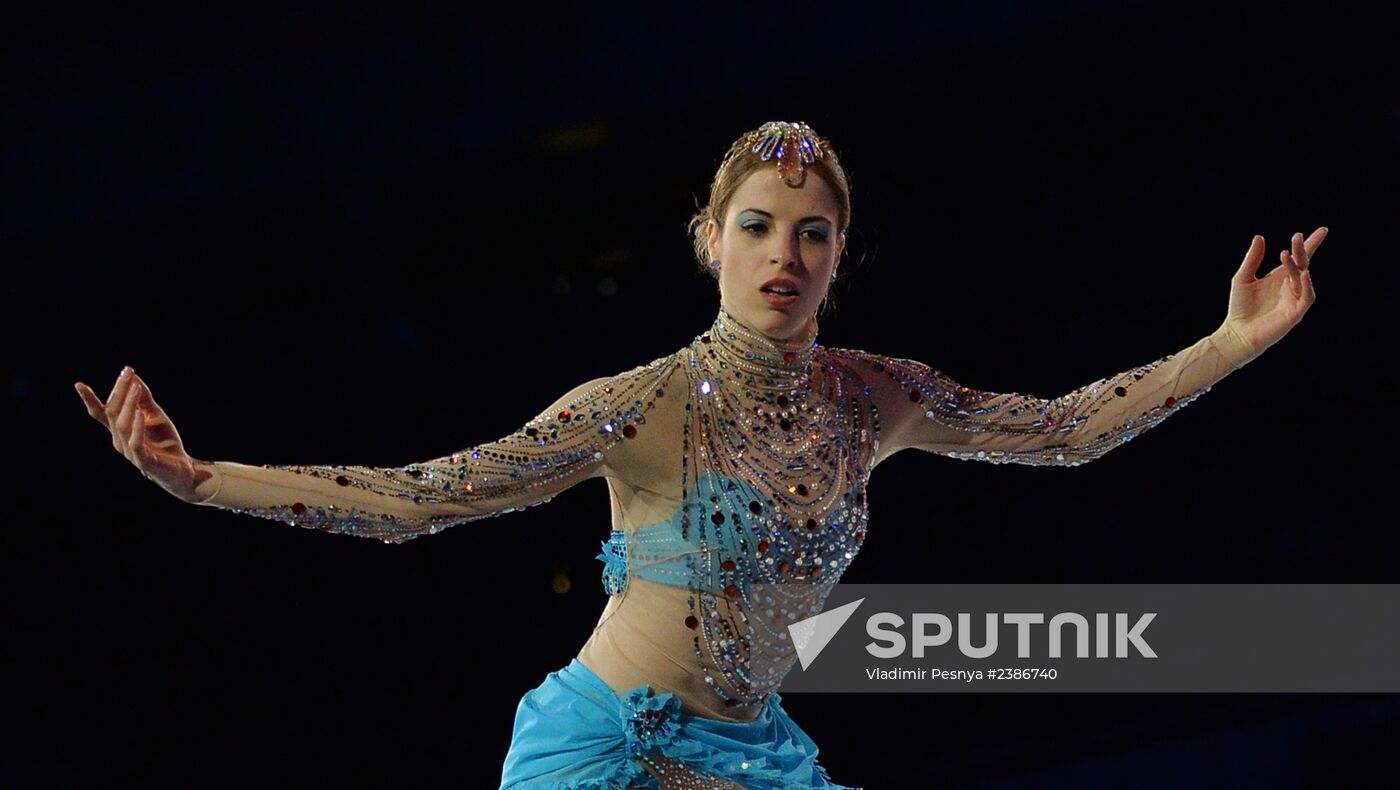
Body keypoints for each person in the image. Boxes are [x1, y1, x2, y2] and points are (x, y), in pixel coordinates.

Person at [75, 121, 1326, 789]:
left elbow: (1062, 433)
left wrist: (1227, 341)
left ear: (840, 254)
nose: (784, 253)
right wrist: (200, 479)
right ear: (709, 241)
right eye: (757, 226)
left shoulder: (879, 396)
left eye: (813, 232)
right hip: (603, 752)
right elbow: (415, 501)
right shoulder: (643, 406)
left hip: (755, 758)